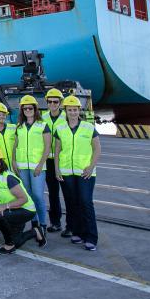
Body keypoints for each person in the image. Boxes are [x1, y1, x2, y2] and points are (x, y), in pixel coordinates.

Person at [53, 95, 101, 251]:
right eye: (69, 110)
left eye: (75, 109)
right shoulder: (60, 129)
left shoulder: (88, 127)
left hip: (85, 172)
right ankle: (78, 233)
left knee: (86, 202)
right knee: (72, 203)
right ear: (65, 111)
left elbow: (97, 149)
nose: (72, 112)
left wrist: (91, 166)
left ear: (79, 110)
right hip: (66, 172)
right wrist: (57, 169)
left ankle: (91, 237)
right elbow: (57, 151)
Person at [0, 146, 45, 255]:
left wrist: (5, 206)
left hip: (26, 210)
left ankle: (9, 245)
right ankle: (35, 231)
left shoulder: (8, 177)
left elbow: (23, 199)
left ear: (1, 162)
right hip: (14, 210)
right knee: (17, 241)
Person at [12, 95, 51, 228]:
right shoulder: (20, 127)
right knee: (28, 197)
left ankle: (43, 224)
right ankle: (34, 223)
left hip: (37, 167)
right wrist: (13, 161)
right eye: (25, 108)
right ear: (22, 110)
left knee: (38, 196)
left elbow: (47, 147)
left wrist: (40, 165)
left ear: (35, 109)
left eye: (30, 108)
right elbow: (15, 146)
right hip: (22, 167)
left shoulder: (43, 126)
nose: (28, 110)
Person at [42, 88, 66, 232]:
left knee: (69, 194)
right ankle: (55, 222)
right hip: (48, 161)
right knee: (53, 193)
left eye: (55, 101)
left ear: (60, 103)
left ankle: (71, 226)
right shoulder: (43, 118)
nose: (52, 104)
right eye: (50, 101)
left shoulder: (67, 118)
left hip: (63, 161)